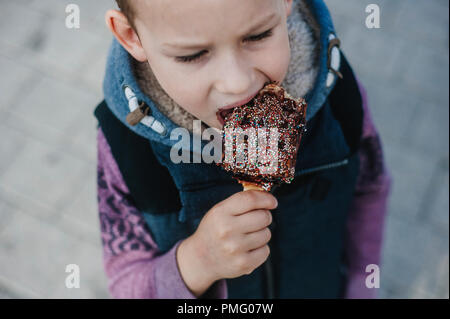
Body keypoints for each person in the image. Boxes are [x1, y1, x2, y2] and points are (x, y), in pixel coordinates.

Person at [94, 0, 392, 299]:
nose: (237, 83)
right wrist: (199, 260)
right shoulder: (126, 146)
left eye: (258, 35)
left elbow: (370, 191)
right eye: (193, 55)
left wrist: (362, 284)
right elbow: (125, 282)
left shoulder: (337, 98)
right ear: (131, 36)